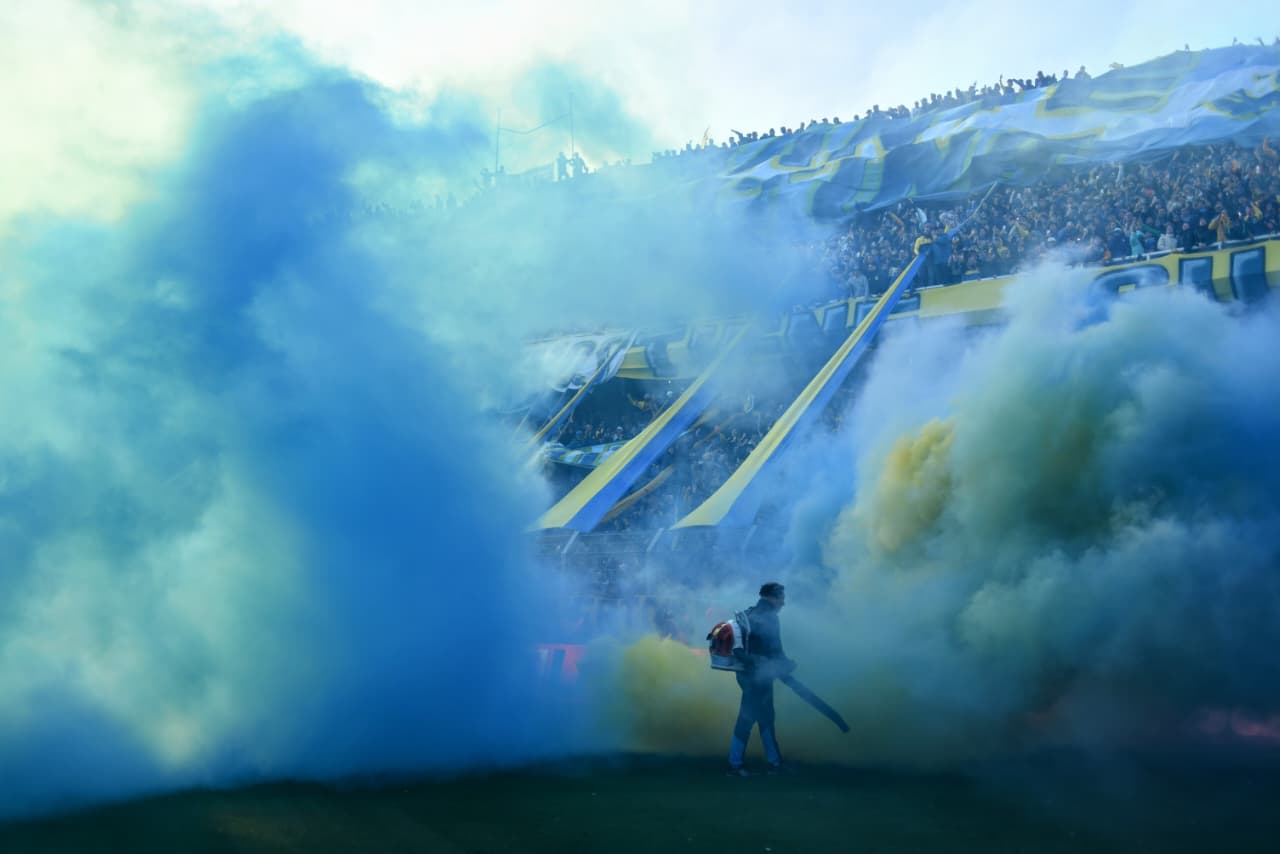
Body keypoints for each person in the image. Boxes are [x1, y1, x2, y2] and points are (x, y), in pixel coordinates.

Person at [727, 582, 795, 776]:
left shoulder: (748, 613)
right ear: (772, 597)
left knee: (764, 717)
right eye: (781, 598)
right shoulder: (769, 617)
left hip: (747, 674)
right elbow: (775, 648)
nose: (783, 602)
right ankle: (735, 765)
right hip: (759, 677)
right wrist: (786, 664)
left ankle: (774, 763)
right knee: (748, 719)